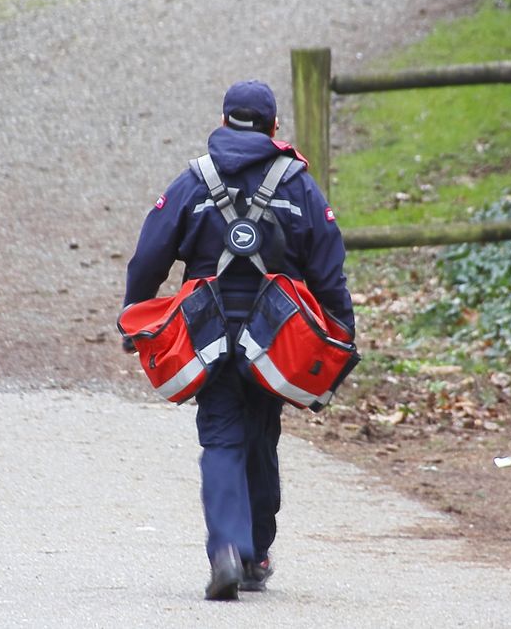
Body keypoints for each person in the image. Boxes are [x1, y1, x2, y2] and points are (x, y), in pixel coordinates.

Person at [123, 80, 354, 600]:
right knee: (262, 436)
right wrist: (340, 337)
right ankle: (255, 555)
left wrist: (133, 317)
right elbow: (329, 270)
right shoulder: (298, 186)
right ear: (274, 128)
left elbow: (149, 256)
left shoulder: (193, 181)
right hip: (278, 340)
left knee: (221, 440)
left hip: (206, 334)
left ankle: (227, 547)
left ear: (224, 121)